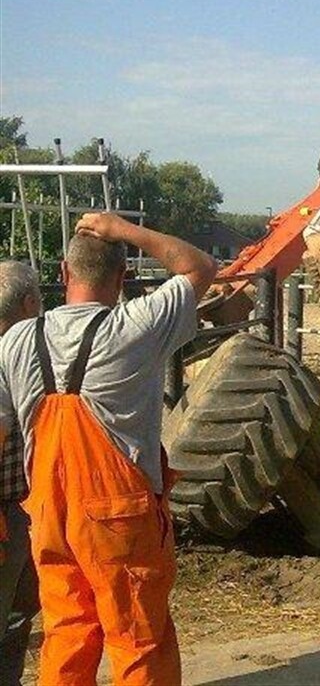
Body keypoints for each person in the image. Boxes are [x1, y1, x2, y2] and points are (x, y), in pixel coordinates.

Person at [0, 213, 217, 685]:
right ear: (123, 279)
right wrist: (125, 230)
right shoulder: (136, 325)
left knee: (66, 630)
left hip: (48, 514)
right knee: (137, 637)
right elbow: (200, 267)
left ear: (63, 273)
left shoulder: (16, 339)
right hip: (119, 516)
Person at [0, 261, 42, 686]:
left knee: (17, 616)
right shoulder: (10, 356)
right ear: (29, 303)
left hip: (25, 509)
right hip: (9, 513)